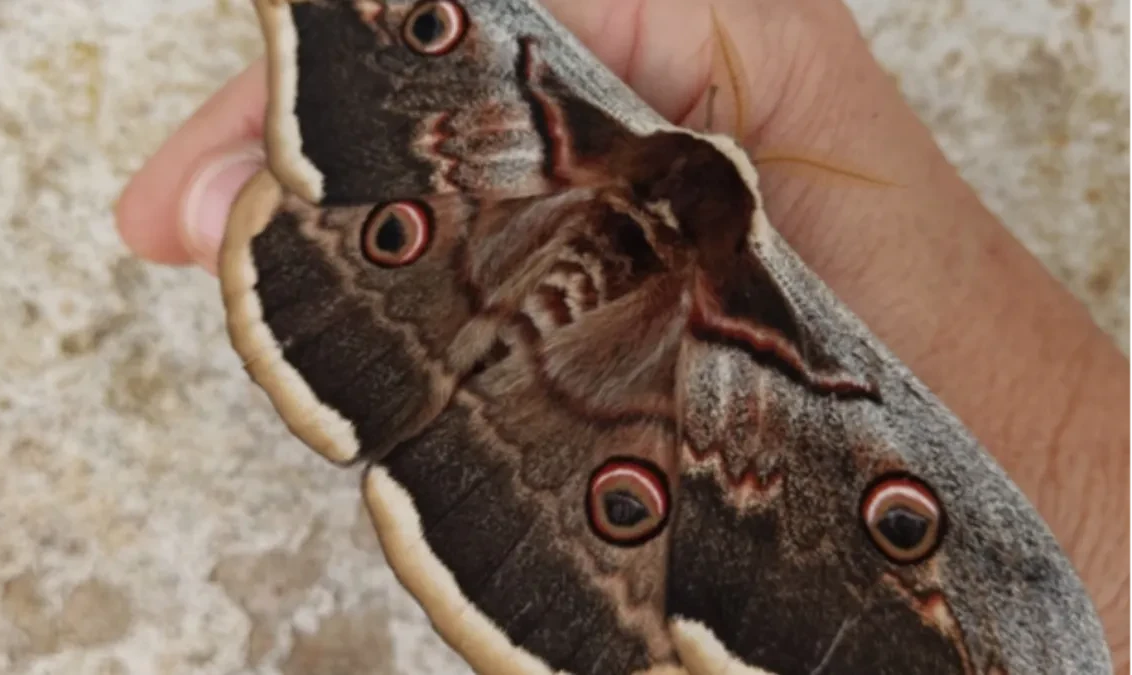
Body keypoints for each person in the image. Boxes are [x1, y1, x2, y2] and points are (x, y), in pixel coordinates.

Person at [114, 0, 1130, 664]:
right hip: (594, 427)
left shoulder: (547, 104)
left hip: (457, 253)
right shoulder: (772, 321)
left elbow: (987, 611)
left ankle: (395, 271)